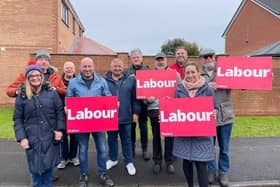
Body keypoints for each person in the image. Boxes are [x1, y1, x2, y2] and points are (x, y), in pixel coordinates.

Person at [13, 65, 65, 187]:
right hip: (32, 138)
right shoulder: (22, 96)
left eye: (37, 75)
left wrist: (59, 129)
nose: (35, 78)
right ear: (27, 78)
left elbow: (59, 112)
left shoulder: (52, 93)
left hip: (49, 136)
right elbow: (17, 118)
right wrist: (22, 137)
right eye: (32, 76)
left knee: (47, 171)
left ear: (42, 77)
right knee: (35, 170)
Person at [66, 57, 114, 187]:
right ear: (80, 68)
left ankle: (103, 173)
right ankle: (83, 175)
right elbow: (69, 99)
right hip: (82, 122)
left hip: (98, 121)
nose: (87, 69)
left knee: (102, 149)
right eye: (85, 66)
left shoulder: (101, 81)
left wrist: (111, 104)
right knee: (83, 150)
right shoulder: (73, 83)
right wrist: (67, 107)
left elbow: (108, 96)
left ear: (93, 67)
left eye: (89, 66)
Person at [173, 62, 217, 187]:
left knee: (201, 164)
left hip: (202, 135)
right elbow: (174, 110)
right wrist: (166, 117)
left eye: (193, 72)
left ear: (198, 73)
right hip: (184, 135)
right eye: (188, 72)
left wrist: (214, 113)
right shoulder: (179, 90)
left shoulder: (207, 89)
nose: (190, 75)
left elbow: (215, 106)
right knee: (186, 162)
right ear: (184, 74)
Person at [200, 48, 234, 187]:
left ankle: (224, 172)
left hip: (225, 114)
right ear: (201, 59)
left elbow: (243, 81)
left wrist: (266, 77)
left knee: (224, 147)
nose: (208, 59)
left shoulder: (226, 71)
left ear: (214, 57)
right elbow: (190, 89)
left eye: (210, 56)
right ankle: (211, 170)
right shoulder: (198, 74)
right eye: (205, 57)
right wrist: (207, 86)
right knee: (209, 146)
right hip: (207, 116)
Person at [104, 58, 141, 176]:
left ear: (123, 67)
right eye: (115, 66)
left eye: (119, 66)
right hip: (110, 117)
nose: (117, 68)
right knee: (112, 139)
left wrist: (135, 112)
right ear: (111, 67)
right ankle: (113, 159)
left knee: (127, 141)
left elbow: (135, 99)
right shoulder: (104, 81)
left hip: (126, 116)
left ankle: (129, 161)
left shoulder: (130, 80)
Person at [146, 52, 181, 175]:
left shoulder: (174, 74)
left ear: (166, 61)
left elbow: (181, 91)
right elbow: (143, 93)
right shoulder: (149, 75)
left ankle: (169, 161)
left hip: (170, 109)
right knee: (156, 136)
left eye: (162, 60)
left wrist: (175, 102)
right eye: (158, 60)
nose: (160, 62)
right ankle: (157, 161)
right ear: (155, 61)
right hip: (155, 109)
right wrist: (147, 99)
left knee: (169, 136)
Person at [124, 48, 150, 161]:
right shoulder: (126, 71)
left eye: (138, 57)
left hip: (143, 103)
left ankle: (144, 150)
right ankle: (132, 149)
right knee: (132, 128)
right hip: (130, 104)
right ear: (131, 59)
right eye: (134, 57)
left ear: (142, 58)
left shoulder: (147, 70)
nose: (136, 59)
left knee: (143, 127)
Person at [57, 61, 79, 169]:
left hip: (75, 113)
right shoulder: (58, 82)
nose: (69, 69)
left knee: (75, 137)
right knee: (63, 137)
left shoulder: (78, 81)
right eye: (67, 68)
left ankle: (74, 157)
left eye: (71, 68)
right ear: (64, 69)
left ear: (74, 70)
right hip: (62, 113)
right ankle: (64, 159)